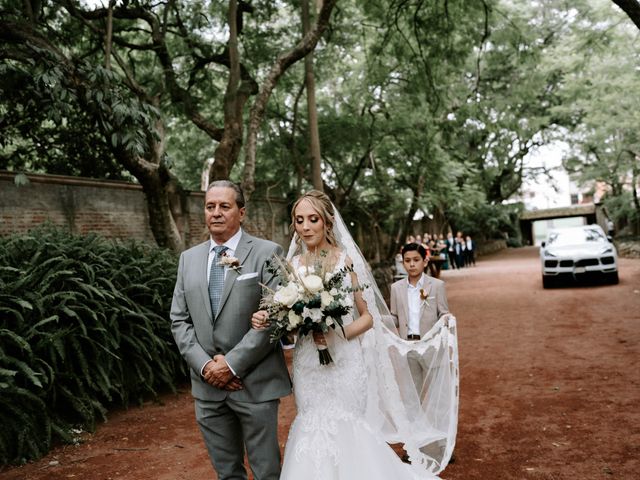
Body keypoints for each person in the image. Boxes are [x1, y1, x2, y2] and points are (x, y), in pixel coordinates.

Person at [251, 191, 458, 479]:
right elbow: (289, 320)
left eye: (313, 219)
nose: (306, 226)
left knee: (347, 426)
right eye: (300, 220)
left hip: (345, 361)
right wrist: (284, 320)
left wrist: (338, 330)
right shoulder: (294, 267)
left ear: (327, 223)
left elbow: (367, 317)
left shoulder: (344, 261)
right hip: (309, 362)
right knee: (311, 423)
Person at [170, 180, 291, 480]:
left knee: (267, 472)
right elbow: (179, 320)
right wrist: (207, 367)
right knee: (227, 474)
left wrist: (232, 365)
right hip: (208, 387)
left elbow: (276, 316)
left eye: (225, 206)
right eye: (210, 206)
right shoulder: (188, 259)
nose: (216, 213)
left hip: (255, 384)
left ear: (242, 212)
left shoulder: (267, 252)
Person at [389, 243, 450, 390]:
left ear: (425, 261)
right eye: (407, 260)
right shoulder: (396, 288)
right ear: (402, 262)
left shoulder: (436, 285)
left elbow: (443, 312)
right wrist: (374, 317)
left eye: (416, 260)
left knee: (437, 392)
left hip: (431, 346)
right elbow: (395, 318)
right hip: (408, 347)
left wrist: (446, 318)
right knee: (411, 394)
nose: (412, 264)